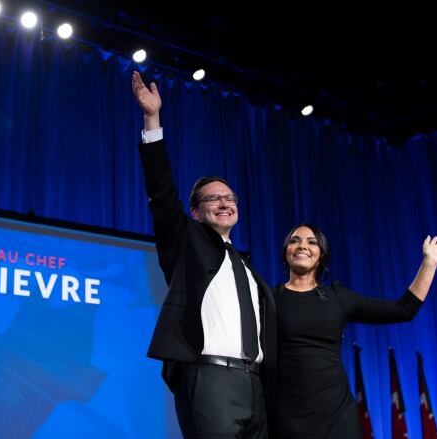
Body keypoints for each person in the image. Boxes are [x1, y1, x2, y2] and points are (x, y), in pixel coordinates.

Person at [132, 70, 277, 438]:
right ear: (195, 212)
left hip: (255, 386)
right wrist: (153, 120)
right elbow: (163, 193)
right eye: (213, 198)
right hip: (210, 380)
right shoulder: (186, 243)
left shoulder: (245, 265)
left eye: (229, 198)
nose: (224, 203)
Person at [274, 223, 437, 438]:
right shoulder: (268, 298)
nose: (302, 246)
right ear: (286, 251)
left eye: (312, 242)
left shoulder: (337, 296)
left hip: (336, 417)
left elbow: (403, 310)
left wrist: (429, 264)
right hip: (285, 416)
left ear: (321, 255)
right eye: (294, 240)